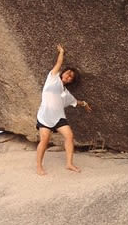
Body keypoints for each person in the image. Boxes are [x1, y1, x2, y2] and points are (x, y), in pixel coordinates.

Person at [36, 44, 92, 175]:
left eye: (71, 76)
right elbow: (59, 63)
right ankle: (39, 166)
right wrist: (61, 52)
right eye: (67, 73)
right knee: (44, 140)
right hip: (45, 117)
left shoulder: (66, 94)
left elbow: (75, 102)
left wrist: (84, 103)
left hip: (59, 118)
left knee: (69, 135)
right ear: (63, 73)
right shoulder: (52, 78)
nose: (68, 76)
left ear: (71, 81)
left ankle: (69, 163)